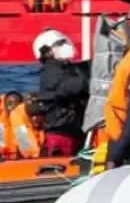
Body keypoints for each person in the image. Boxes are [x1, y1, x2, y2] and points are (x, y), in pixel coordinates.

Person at [33, 29, 90, 157]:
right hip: (61, 134)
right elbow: (76, 85)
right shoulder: (50, 72)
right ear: (47, 52)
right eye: (59, 44)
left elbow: (84, 70)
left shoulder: (69, 68)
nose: (65, 46)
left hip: (76, 131)